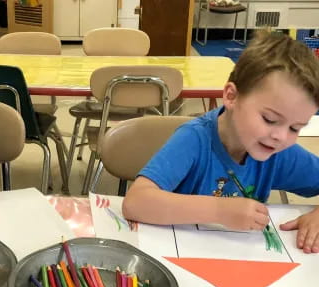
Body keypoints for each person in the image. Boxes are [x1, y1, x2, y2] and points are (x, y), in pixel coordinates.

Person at [122, 31, 319, 253]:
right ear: (232, 96)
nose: (281, 136)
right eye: (269, 119)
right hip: (179, 256)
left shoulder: (279, 151)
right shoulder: (195, 139)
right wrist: (219, 210)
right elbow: (135, 202)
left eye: (295, 128)